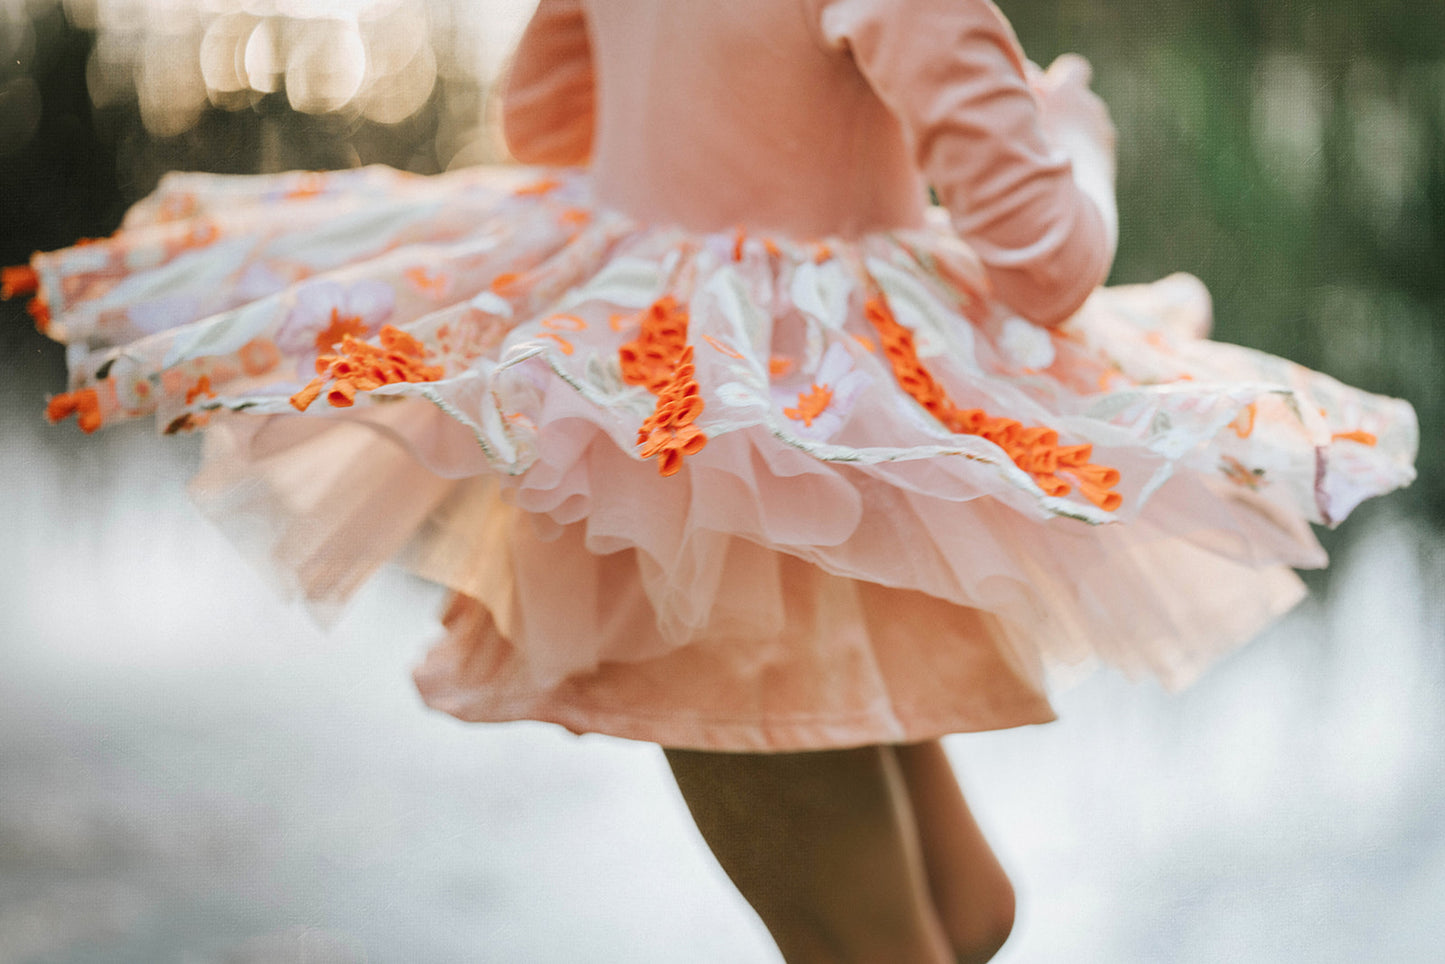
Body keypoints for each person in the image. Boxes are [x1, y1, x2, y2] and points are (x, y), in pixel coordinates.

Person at [5, 1, 1417, 960]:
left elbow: (546, 120)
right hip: (756, 454)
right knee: (896, 940)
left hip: (675, 431)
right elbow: (1047, 257)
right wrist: (1073, 147)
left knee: (965, 914)